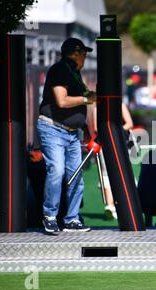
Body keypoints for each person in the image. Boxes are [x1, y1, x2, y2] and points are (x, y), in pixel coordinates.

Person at [36, 38, 96, 233]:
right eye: (84, 53)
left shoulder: (74, 72)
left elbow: (79, 105)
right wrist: (87, 98)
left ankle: (71, 219)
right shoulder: (60, 70)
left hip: (72, 133)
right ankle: (50, 216)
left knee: (76, 175)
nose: (85, 57)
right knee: (57, 170)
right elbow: (62, 101)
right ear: (76, 53)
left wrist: (86, 129)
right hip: (53, 128)